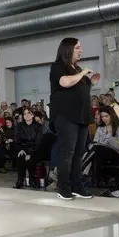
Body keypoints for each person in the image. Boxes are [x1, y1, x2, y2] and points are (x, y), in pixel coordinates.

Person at [48, 37, 98, 200]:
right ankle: (63, 187)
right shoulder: (58, 67)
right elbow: (65, 83)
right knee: (67, 152)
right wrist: (82, 73)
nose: (80, 50)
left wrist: (90, 82)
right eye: (77, 47)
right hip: (65, 115)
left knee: (78, 153)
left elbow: (79, 89)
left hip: (81, 115)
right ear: (68, 49)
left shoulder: (76, 68)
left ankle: (77, 185)